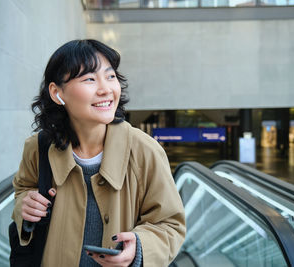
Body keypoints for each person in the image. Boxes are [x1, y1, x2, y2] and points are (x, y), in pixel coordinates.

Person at [12, 39, 186, 266]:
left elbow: (171, 223)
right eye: (90, 79)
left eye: (110, 76)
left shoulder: (145, 150)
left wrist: (139, 248)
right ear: (57, 93)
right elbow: (23, 190)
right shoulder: (38, 147)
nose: (106, 89)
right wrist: (25, 203)